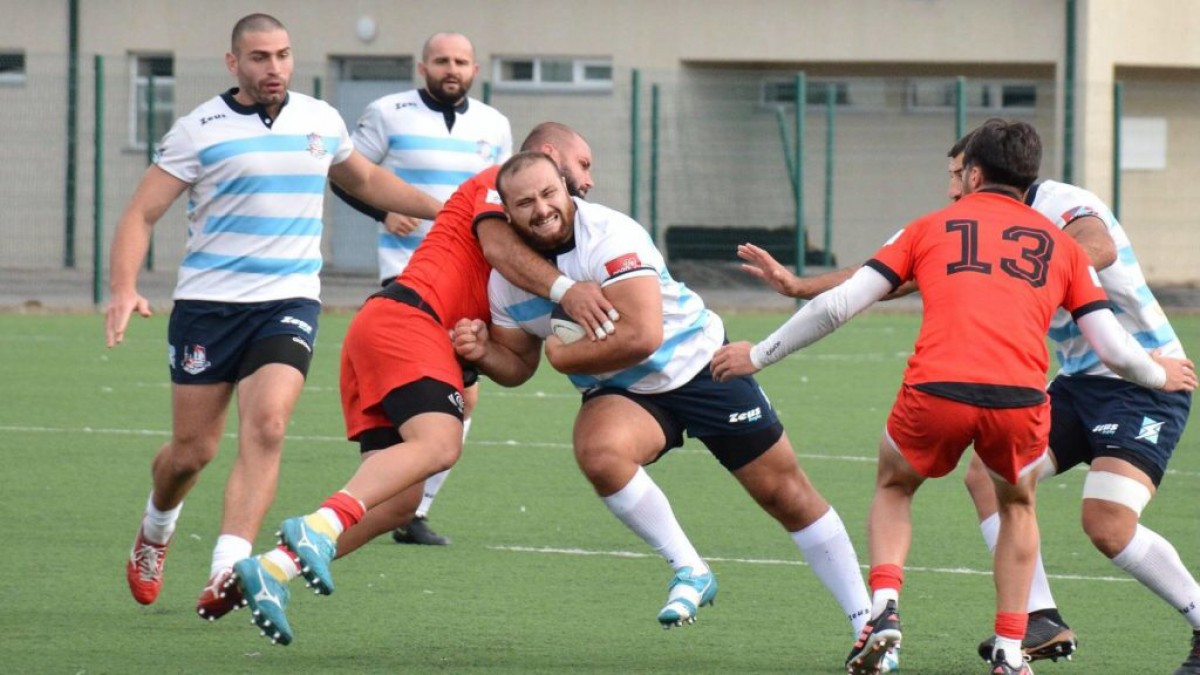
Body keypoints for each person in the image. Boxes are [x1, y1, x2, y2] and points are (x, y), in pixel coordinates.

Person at [711, 119, 1196, 675]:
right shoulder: (992, 234)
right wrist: (802, 285)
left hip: (1145, 382)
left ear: (978, 173)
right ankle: (1035, 621)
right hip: (1071, 383)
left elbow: (1098, 247)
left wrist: (1023, 261)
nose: (949, 188)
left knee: (1106, 524)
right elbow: (899, 274)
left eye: (956, 174)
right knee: (989, 481)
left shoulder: (1058, 208)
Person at [452, 151, 885, 668]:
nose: (541, 209)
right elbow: (518, 366)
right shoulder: (505, 281)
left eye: (549, 193)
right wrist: (483, 353)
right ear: (507, 213)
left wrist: (563, 356)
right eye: (525, 203)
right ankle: (690, 569)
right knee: (599, 452)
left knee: (786, 494)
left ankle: (868, 624)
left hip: (701, 367)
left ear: (566, 189)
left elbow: (643, 336)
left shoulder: (610, 235)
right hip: (624, 392)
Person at [105, 14, 441, 623]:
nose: (274, 67)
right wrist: (123, 288)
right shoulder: (198, 130)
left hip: (288, 302)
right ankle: (156, 526)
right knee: (191, 453)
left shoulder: (320, 120)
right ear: (233, 63)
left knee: (268, 426)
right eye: (259, 57)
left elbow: (365, 178)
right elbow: (141, 213)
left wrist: (444, 210)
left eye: (283, 55)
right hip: (208, 308)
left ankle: (226, 568)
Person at [228, 122, 619, 646]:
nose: (588, 181)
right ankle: (318, 526)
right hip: (409, 322)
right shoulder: (502, 184)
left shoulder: (540, 252)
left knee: (400, 501)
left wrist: (487, 350)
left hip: (399, 332)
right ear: (549, 154)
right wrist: (568, 291)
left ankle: (271, 571)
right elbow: (496, 247)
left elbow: (518, 368)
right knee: (440, 443)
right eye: (583, 164)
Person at [333, 31, 513, 547]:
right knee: (452, 396)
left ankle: (408, 505)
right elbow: (346, 176)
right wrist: (384, 212)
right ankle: (381, 502)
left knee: (464, 400)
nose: (451, 69)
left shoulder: (495, 125)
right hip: (407, 279)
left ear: (475, 69)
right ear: (422, 67)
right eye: (441, 60)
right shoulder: (388, 113)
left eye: (460, 61)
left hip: (467, 283)